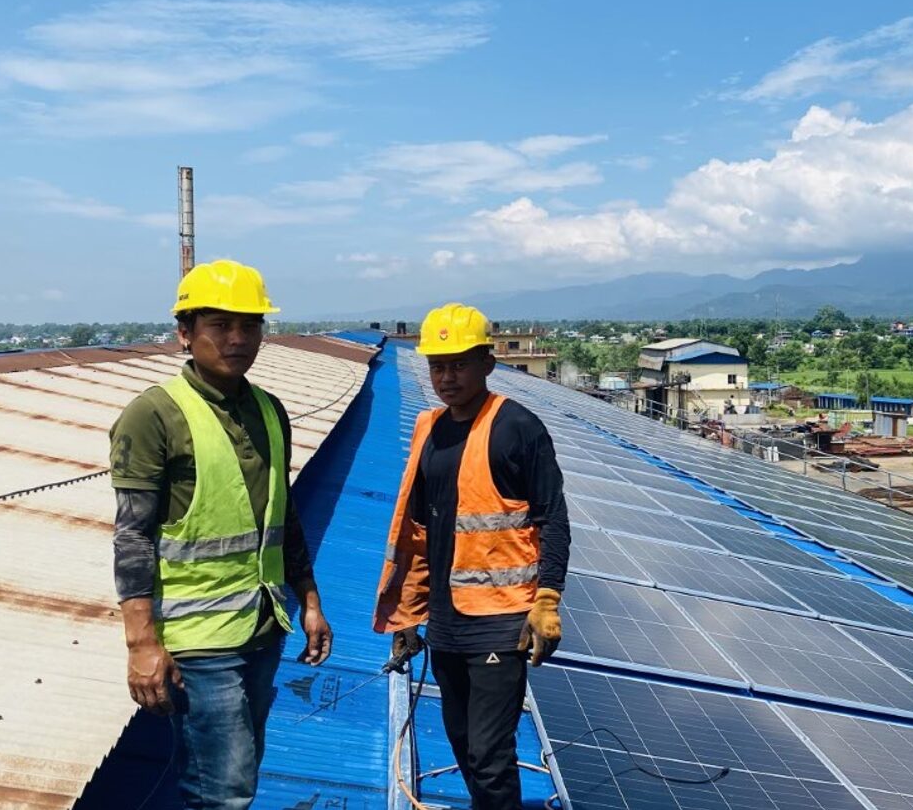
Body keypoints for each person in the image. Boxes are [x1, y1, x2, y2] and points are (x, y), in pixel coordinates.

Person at [110, 260, 331, 810]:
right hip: (198, 640)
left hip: (261, 624)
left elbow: (286, 516)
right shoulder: (154, 415)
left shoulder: (269, 409)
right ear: (185, 333)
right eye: (219, 325)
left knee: (239, 772)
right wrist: (141, 643)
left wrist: (309, 600)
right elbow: (132, 536)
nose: (237, 338)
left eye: (249, 325)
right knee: (223, 789)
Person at [373, 303, 571, 810]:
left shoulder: (516, 428)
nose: (447, 377)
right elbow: (420, 533)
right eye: (438, 365)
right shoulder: (429, 430)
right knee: (462, 744)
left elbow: (553, 519)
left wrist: (547, 599)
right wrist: (407, 618)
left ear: (487, 362)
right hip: (446, 622)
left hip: (502, 620)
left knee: (489, 752)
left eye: (459, 363)